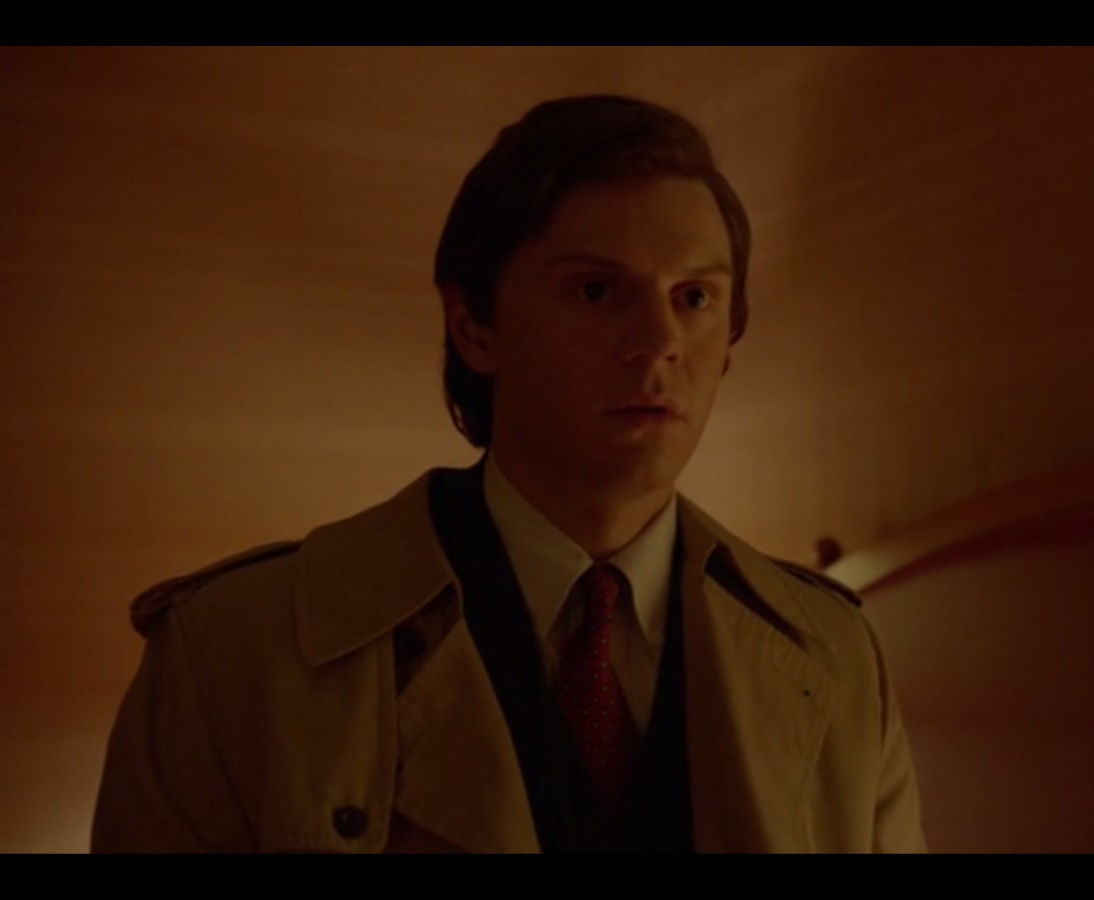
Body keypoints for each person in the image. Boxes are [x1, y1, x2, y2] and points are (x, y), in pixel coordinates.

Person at [91, 95, 926, 853]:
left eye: (695, 298)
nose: (660, 341)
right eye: (595, 291)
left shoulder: (837, 659)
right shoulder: (233, 655)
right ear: (474, 326)